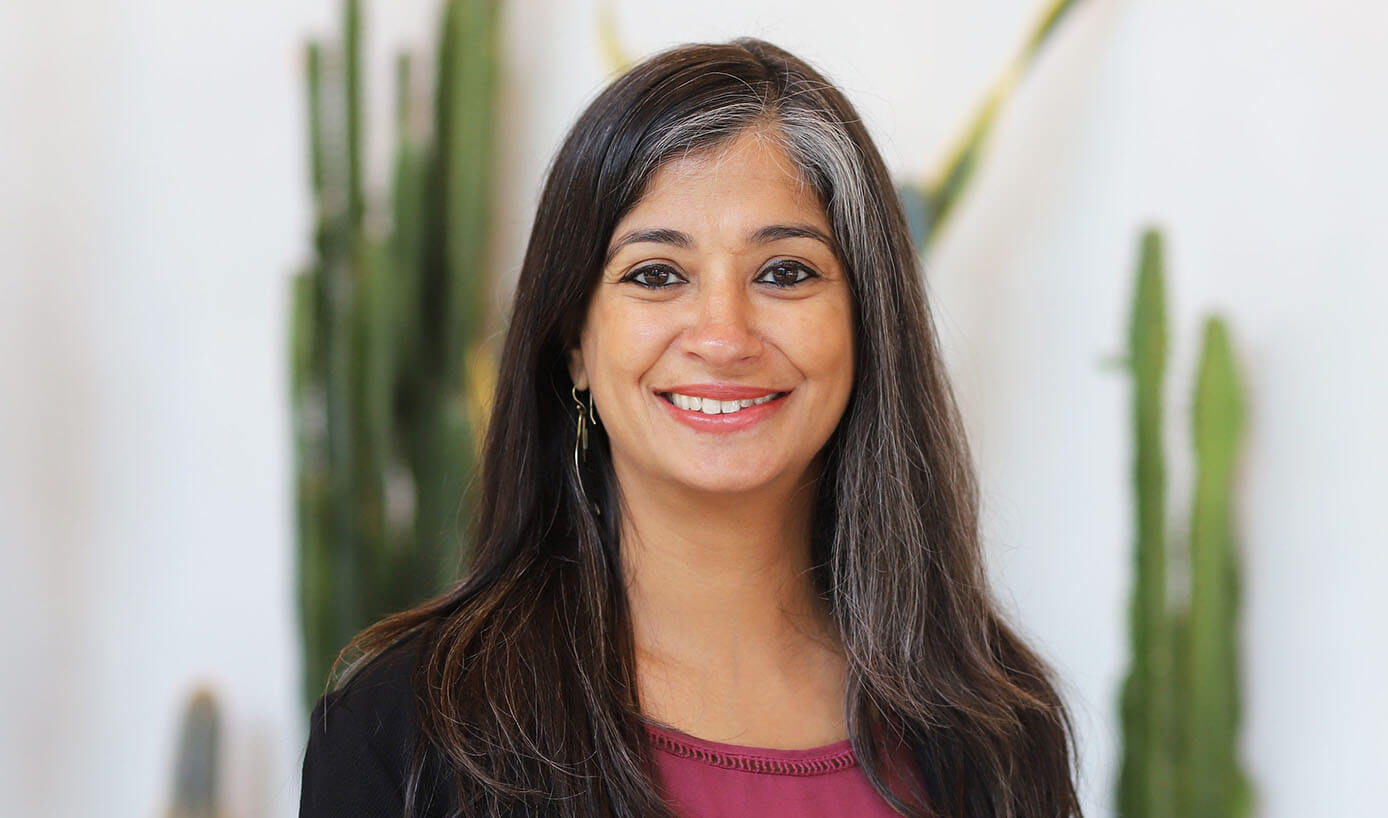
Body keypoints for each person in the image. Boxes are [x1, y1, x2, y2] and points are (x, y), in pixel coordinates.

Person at [299, 37, 1083, 818]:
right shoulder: (403, 730)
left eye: (785, 272)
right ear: (574, 342)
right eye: (656, 275)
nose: (723, 336)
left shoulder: (1001, 731)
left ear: (866, 324)